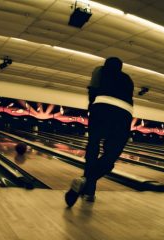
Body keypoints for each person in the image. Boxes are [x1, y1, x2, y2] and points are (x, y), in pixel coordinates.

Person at [65, 57, 134, 207]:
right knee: (111, 156)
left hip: (101, 107)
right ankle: (87, 184)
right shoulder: (128, 79)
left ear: (105, 64)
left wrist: (92, 108)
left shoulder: (99, 71)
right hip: (124, 114)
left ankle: (88, 187)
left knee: (93, 146)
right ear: (121, 67)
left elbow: (92, 90)